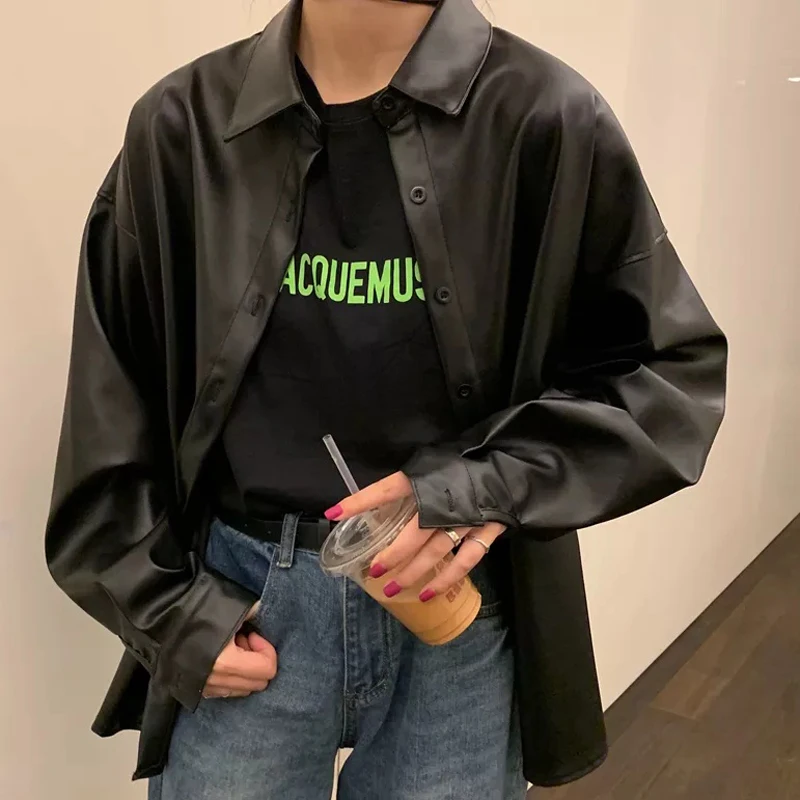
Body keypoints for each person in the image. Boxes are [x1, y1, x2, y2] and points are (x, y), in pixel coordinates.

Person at [45, 0, 728, 798]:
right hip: (245, 605)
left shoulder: (544, 118)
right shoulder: (184, 126)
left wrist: (476, 485)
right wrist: (171, 615)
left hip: (454, 610)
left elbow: (667, 375)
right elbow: (109, 412)